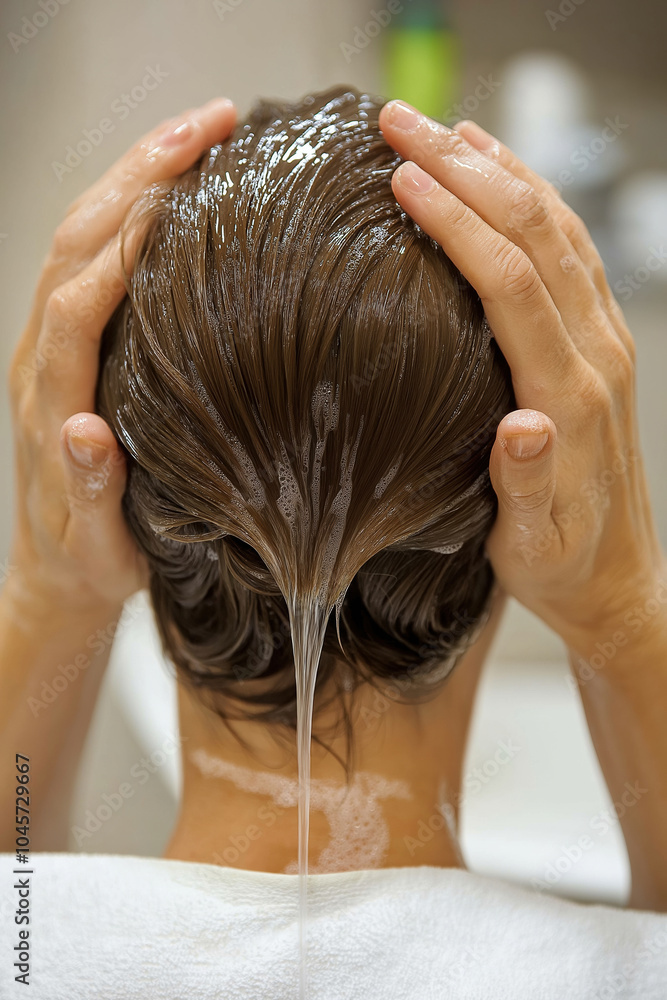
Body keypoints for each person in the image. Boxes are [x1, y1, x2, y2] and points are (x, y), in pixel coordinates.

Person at [1, 87, 666, 999]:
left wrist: (46, 595)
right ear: (521, 504)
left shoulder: (24, 953)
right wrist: (620, 604)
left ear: (114, 501)